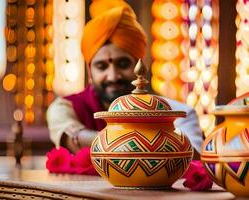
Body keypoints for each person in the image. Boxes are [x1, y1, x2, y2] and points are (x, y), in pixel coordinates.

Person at [46, 0, 203, 158]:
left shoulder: (180, 113)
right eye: (101, 66)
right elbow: (74, 140)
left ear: (140, 66)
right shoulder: (65, 108)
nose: (113, 76)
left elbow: (194, 158)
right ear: (89, 71)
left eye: (123, 64)